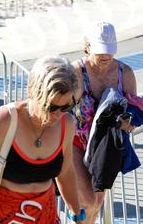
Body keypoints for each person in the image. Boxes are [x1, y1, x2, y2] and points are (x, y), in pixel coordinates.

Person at [0, 55, 85, 223]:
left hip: (45, 215)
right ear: (32, 92)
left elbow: (65, 172)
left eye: (66, 107)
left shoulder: (67, 124)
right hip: (1, 215)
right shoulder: (3, 122)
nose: (58, 114)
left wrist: (76, 212)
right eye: (51, 107)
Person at [72, 22, 137, 223]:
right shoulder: (76, 72)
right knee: (88, 200)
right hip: (76, 141)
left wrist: (128, 122)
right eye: (100, 51)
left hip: (106, 145)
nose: (105, 57)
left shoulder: (124, 73)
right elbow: (62, 106)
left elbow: (134, 112)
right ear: (88, 46)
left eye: (109, 51)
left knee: (96, 203)